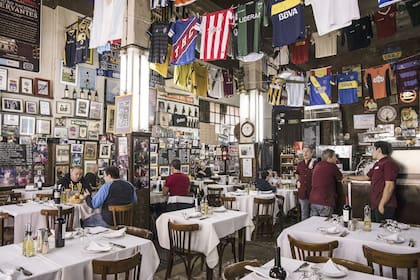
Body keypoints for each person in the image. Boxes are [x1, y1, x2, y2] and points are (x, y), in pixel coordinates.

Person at [343, 141, 399, 222]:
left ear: (379, 150)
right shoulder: (377, 164)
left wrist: (382, 204)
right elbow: (366, 177)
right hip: (375, 204)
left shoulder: (388, 164)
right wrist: (349, 177)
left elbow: (389, 186)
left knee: (383, 231)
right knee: (374, 230)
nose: (372, 152)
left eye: (373, 149)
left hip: (385, 205)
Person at [309, 149, 343, 217]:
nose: (336, 159)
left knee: (313, 225)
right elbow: (340, 178)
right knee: (325, 226)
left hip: (314, 201)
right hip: (325, 201)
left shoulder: (317, 165)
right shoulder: (332, 166)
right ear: (329, 158)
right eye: (334, 156)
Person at [295, 147, 317, 220]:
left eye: (307, 151)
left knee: (314, 215)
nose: (305, 153)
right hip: (303, 192)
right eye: (303, 151)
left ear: (311, 153)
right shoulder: (300, 164)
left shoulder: (315, 163)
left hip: (313, 192)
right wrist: (297, 181)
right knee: (304, 214)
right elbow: (297, 173)